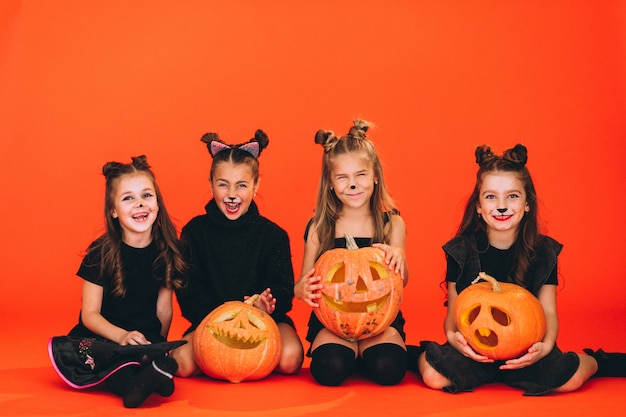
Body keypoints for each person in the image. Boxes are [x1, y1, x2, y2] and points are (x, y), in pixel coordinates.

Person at [413, 144, 626, 395]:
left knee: (568, 380)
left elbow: (548, 312)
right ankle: (421, 356)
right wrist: (453, 338)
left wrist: (545, 347)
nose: (501, 206)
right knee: (433, 376)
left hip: (524, 349)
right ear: (478, 207)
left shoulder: (543, 251)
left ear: (527, 204)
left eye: (512, 196)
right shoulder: (461, 251)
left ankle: (595, 361)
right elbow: (453, 312)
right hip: (474, 348)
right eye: (491, 197)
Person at [48, 155, 187, 408]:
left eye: (147, 195)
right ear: (113, 211)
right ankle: (134, 386)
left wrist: (159, 344)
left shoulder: (167, 250)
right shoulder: (100, 253)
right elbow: (90, 315)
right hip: (106, 337)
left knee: (155, 355)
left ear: (158, 201)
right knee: (115, 362)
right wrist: (121, 336)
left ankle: (156, 367)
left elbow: (163, 309)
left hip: (142, 337)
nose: (139, 204)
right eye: (128, 198)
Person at [173, 129, 304, 378]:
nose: (232, 194)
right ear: (211, 185)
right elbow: (188, 290)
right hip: (211, 322)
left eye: (241, 185)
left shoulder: (273, 235)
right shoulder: (195, 232)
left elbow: (282, 289)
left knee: (290, 359)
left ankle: (246, 360)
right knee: (182, 364)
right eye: (223, 185)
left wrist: (267, 304)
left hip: (264, 321)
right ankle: (224, 361)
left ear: (256, 186)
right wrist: (222, 319)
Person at [294, 120, 409, 386]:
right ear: (330, 183)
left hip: (380, 320)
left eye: (361, 175)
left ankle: (371, 353)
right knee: (328, 369)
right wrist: (302, 290)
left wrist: (399, 258)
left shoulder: (393, 223)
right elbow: (301, 284)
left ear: (375, 175)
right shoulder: (319, 227)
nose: (353, 185)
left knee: (389, 369)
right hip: (332, 322)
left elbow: (401, 282)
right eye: (342, 177)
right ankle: (352, 354)